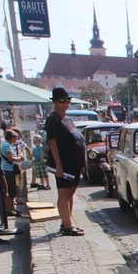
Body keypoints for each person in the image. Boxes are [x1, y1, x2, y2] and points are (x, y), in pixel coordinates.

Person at [45, 87, 87, 237]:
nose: (65, 103)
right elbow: (52, 143)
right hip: (64, 163)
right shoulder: (53, 120)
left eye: (67, 100)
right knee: (64, 194)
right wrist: (58, 166)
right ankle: (67, 226)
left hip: (74, 162)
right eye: (61, 101)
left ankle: (67, 221)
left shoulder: (67, 119)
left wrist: (81, 164)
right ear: (55, 102)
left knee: (71, 192)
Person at [0, 130, 21, 229]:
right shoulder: (7, 145)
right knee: (10, 189)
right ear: (11, 137)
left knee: (11, 190)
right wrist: (20, 157)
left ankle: (11, 208)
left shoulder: (4, 144)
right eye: (15, 138)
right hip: (8, 169)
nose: (16, 140)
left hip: (7, 169)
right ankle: (9, 209)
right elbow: (11, 158)